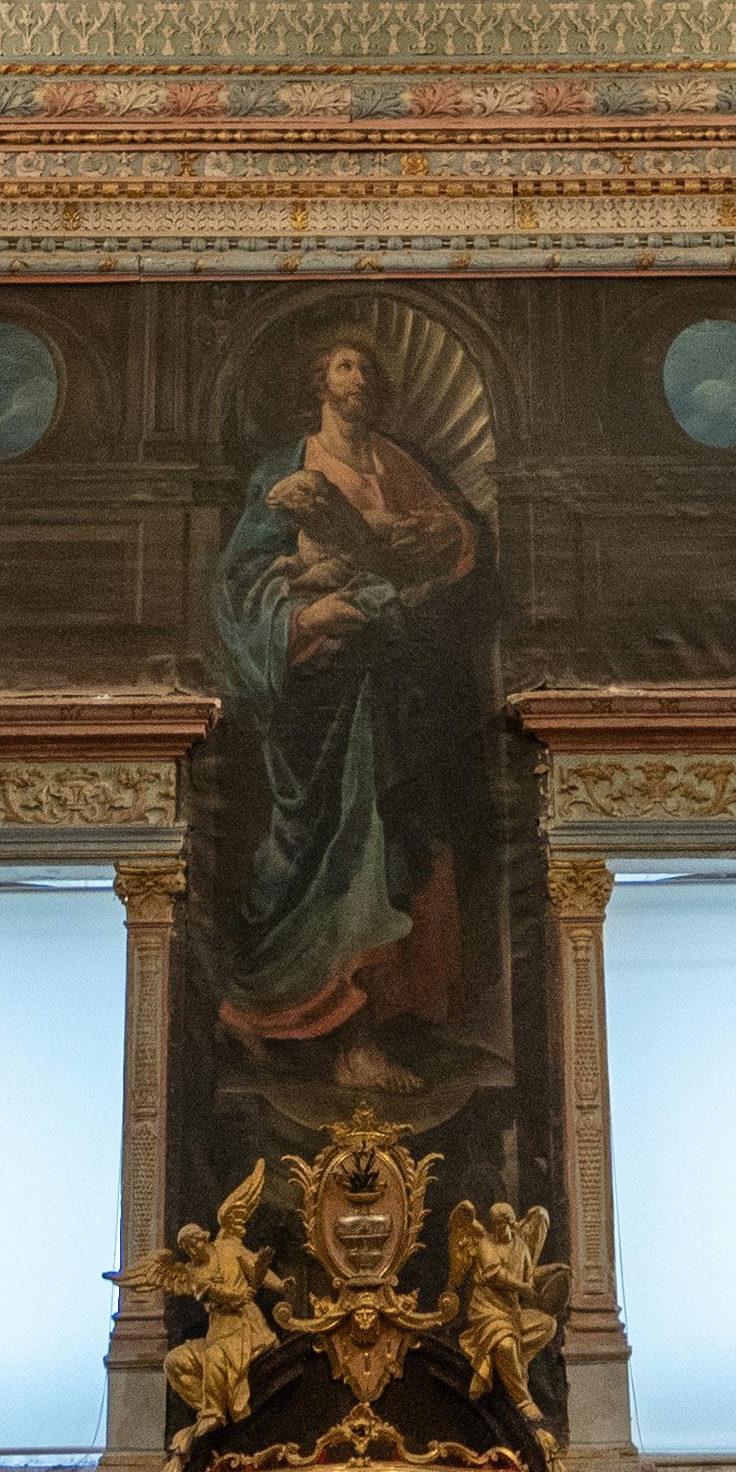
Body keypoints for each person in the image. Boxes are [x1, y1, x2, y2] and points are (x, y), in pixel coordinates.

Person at [212, 323, 482, 1051]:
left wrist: (442, 544)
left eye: (367, 367)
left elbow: (454, 548)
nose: (358, 377)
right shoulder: (290, 465)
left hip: (393, 682)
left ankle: (380, 1028)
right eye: (344, 365)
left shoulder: (398, 462)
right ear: (320, 382)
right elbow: (241, 586)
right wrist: (305, 619)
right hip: (320, 689)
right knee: (326, 846)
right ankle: (310, 1028)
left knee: (394, 841)